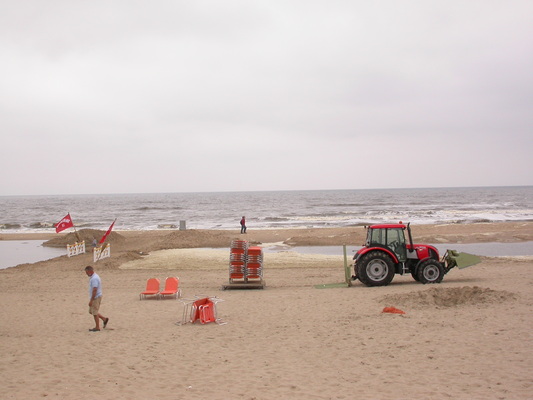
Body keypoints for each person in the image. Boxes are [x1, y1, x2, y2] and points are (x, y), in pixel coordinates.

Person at [84, 266, 109, 332]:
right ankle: (104, 319)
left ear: (89, 271)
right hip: (95, 296)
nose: (86, 274)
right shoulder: (94, 277)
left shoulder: (94, 278)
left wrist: (91, 300)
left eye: (86, 272)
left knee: (94, 312)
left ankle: (97, 327)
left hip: (96, 297)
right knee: (91, 311)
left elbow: (95, 290)